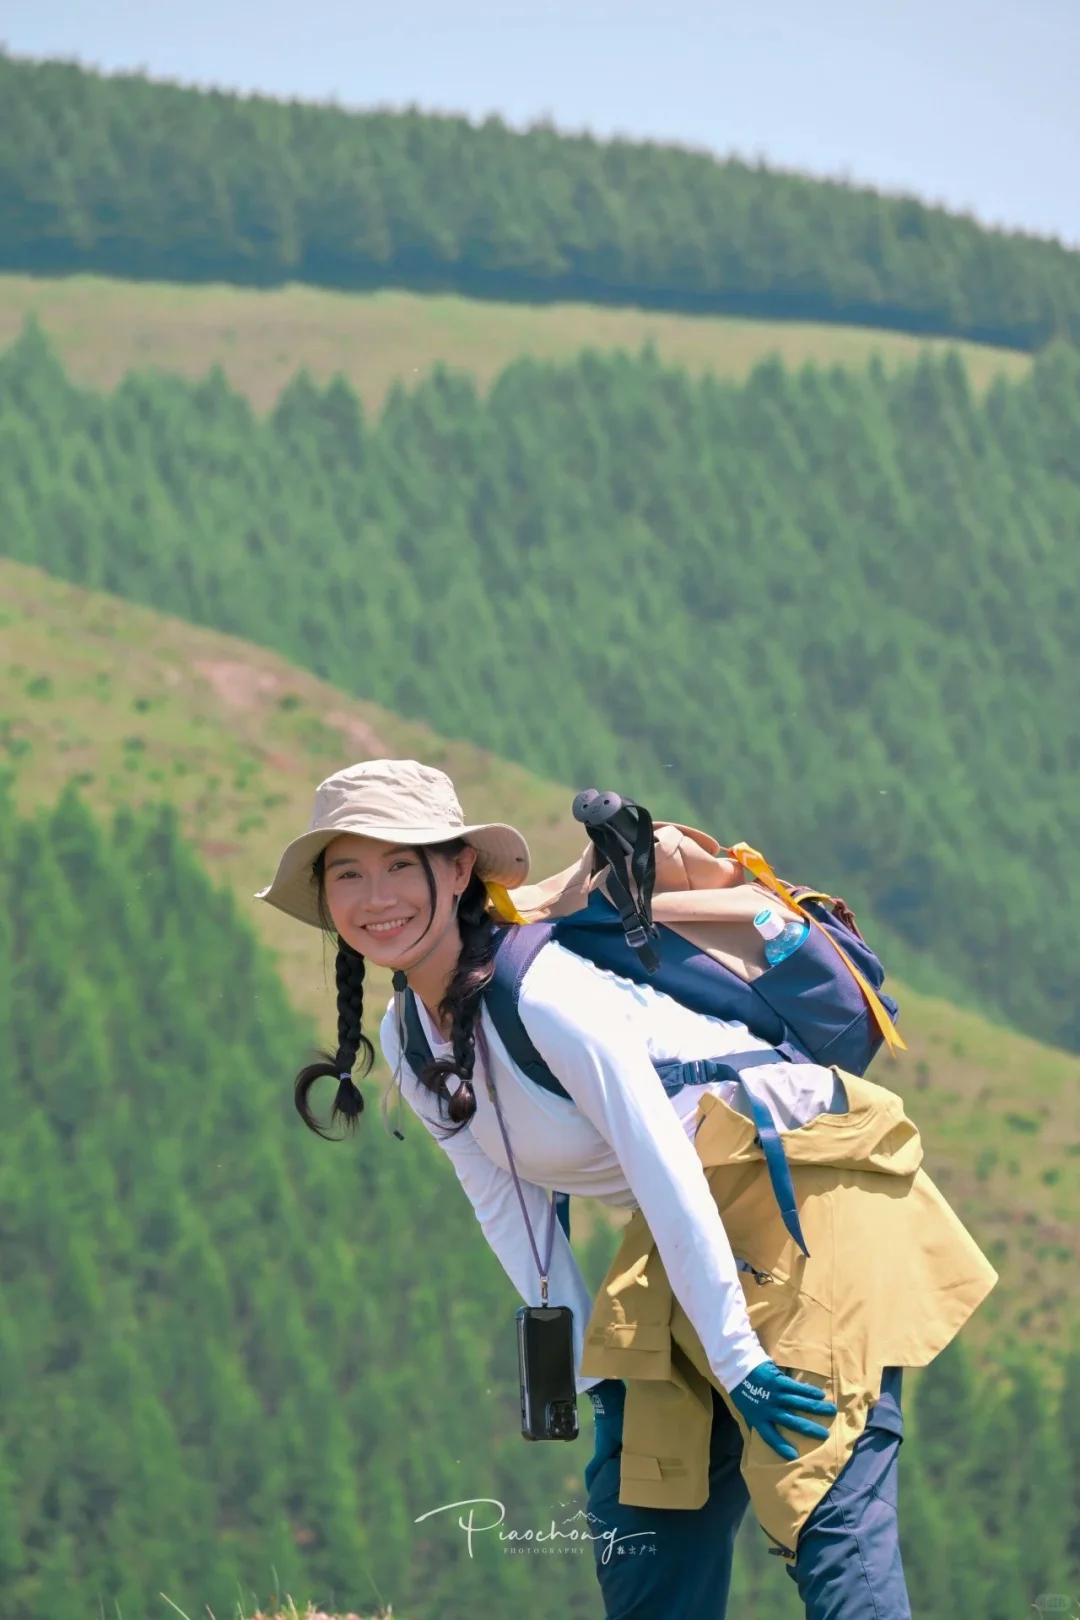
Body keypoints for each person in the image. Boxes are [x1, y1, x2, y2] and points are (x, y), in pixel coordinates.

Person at [255, 757, 995, 1620]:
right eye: (348, 873)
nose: (375, 897)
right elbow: (515, 1218)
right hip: (692, 1214)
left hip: (808, 1184)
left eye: (398, 864)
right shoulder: (413, 1033)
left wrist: (738, 1361)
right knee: (642, 1511)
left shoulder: (548, 996)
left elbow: (659, 1159)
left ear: (457, 871)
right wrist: (586, 1376)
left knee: (820, 1495)